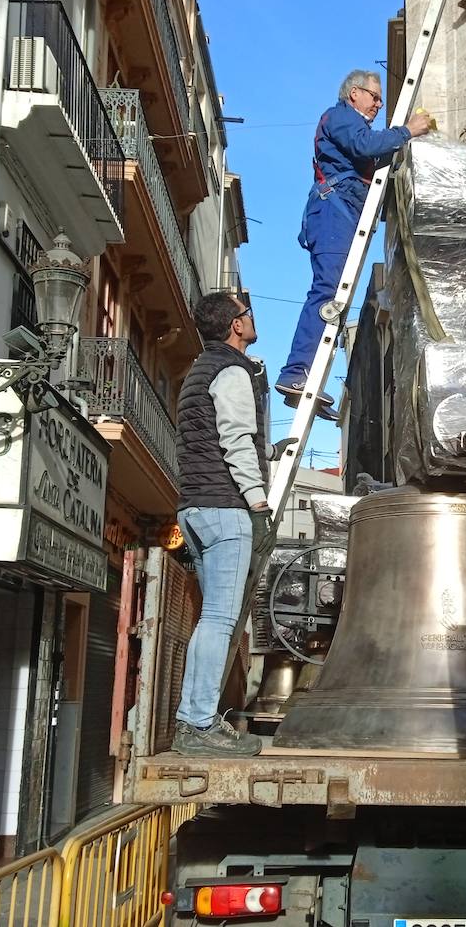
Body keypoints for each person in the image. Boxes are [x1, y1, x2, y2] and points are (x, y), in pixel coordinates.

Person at [274, 70, 433, 419]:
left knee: (336, 299)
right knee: (328, 292)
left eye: (379, 98)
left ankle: (305, 379)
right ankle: (296, 372)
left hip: (341, 211)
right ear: (354, 94)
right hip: (333, 210)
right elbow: (365, 145)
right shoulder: (342, 117)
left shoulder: (349, 122)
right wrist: (408, 130)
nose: (379, 103)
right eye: (373, 96)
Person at [170, 291, 277, 757]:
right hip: (225, 508)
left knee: (209, 620)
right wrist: (258, 503)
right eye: (247, 314)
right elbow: (235, 438)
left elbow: (207, 438)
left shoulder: (196, 373)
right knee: (218, 619)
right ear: (236, 325)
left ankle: (193, 719)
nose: (252, 319)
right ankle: (196, 723)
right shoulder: (232, 371)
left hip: (194, 506)